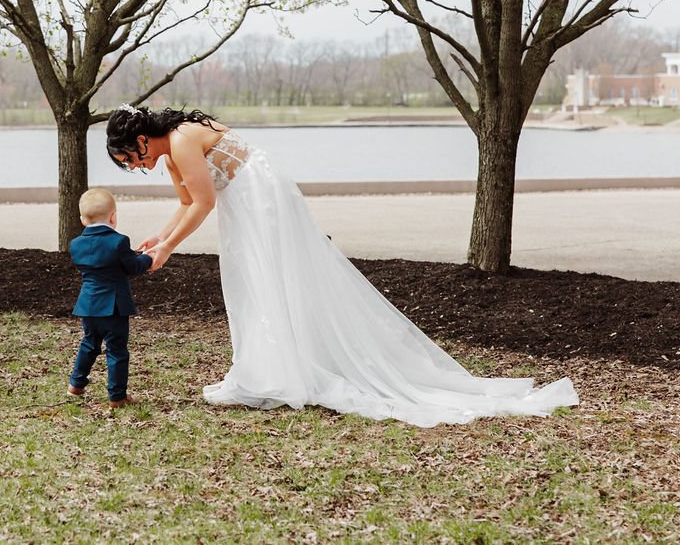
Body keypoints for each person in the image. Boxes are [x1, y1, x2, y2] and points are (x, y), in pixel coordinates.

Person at [105, 105, 578, 427]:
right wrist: (160, 235)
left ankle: (280, 372)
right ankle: (264, 369)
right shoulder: (170, 155)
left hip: (259, 196)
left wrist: (166, 251)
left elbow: (203, 204)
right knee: (250, 282)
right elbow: (187, 202)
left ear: (142, 139)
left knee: (272, 278)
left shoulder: (184, 140)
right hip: (240, 202)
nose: (134, 165)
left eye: (130, 157)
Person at [67, 188, 153, 408]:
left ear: (82, 219)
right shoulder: (119, 242)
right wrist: (147, 258)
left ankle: (76, 384)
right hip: (113, 307)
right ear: (113, 216)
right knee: (116, 351)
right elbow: (132, 266)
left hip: (88, 305)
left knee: (89, 344)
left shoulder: (76, 244)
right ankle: (117, 396)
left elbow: (101, 261)